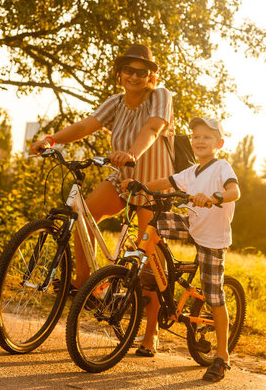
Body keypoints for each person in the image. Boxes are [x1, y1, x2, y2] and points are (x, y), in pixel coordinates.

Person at [29, 44, 174, 291]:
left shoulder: (160, 96)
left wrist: (131, 153)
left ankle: (151, 330)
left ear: (151, 77)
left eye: (142, 72)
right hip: (123, 180)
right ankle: (87, 286)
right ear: (120, 73)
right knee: (83, 217)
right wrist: (51, 139)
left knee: (148, 263)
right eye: (129, 70)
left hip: (153, 187)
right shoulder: (115, 103)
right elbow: (86, 126)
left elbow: (153, 128)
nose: (135, 76)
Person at [122, 116, 240, 382]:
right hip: (192, 223)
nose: (199, 141)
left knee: (213, 295)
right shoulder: (192, 171)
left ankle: (222, 356)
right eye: (196, 136)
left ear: (219, 143)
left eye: (207, 137)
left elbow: (235, 191)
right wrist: (139, 186)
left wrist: (214, 198)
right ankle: (160, 278)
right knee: (154, 223)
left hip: (212, 240)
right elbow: (166, 182)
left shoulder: (221, 167)